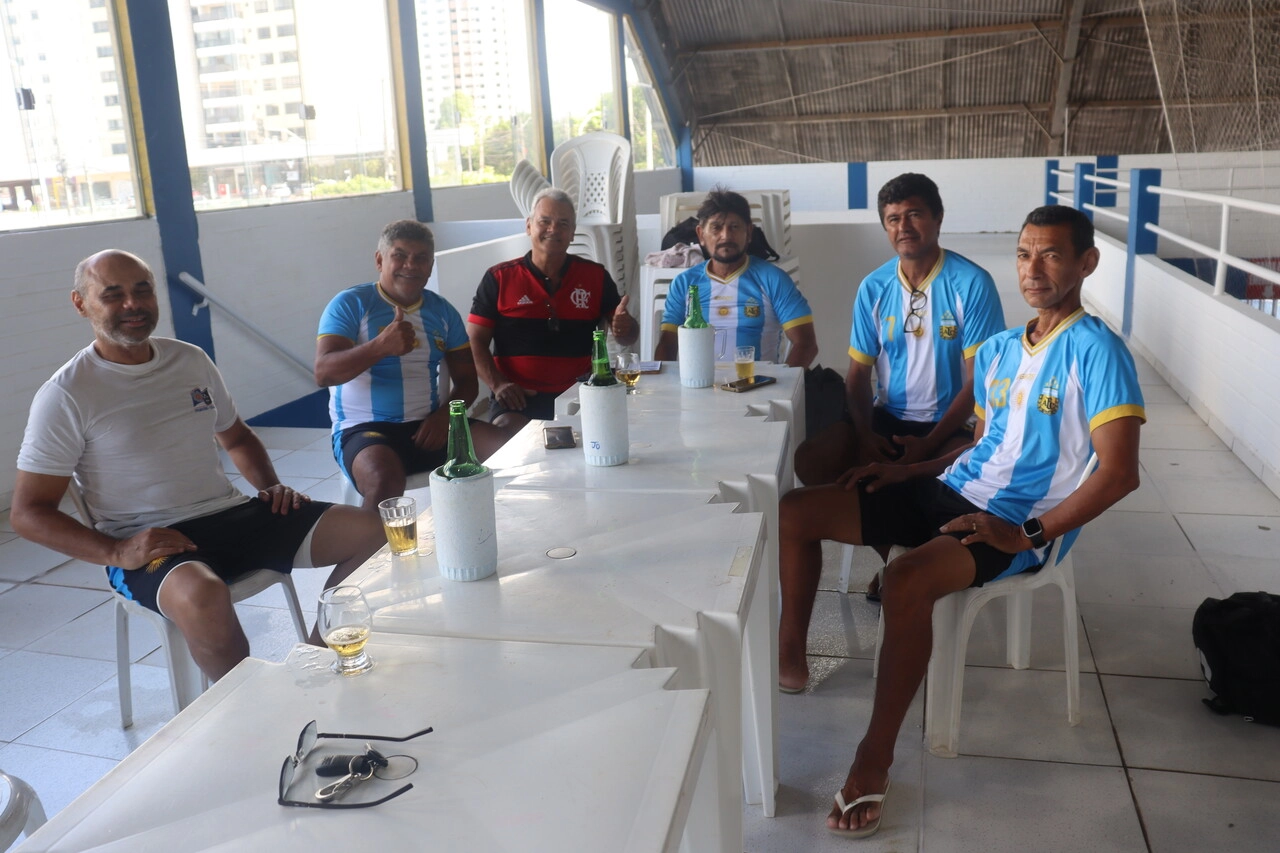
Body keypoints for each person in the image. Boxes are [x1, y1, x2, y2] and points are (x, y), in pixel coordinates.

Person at [777, 205, 1145, 837]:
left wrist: (1027, 533)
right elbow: (983, 443)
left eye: (1052, 254)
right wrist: (909, 471)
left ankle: (875, 757)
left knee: (903, 581)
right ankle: (789, 654)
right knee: (796, 510)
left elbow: (1119, 473)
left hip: (1012, 520)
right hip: (950, 486)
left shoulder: (1097, 350)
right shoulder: (1002, 348)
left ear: (1087, 263)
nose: (1034, 268)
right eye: (1026, 253)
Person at [12, 250, 385, 681]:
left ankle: (313, 670)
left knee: (374, 534)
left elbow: (238, 437)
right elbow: (28, 513)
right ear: (81, 303)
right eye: (112, 294)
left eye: (142, 290)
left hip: (231, 513)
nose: (133, 304)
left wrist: (271, 485)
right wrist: (116, 551)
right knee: (203, 596)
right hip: (151, 542)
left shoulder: (189, 360)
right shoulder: (67, 393)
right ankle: (248, 713)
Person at [793, 173, 1006, 487]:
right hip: (888, 420)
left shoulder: (972, 283)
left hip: (951, 425)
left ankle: (904, 527)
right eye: (893, 219)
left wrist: (929, 444)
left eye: (914, 215)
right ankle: (869, 526)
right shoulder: (874, 287)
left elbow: (979, 381)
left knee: (951, 481)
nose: (903, 227)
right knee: (814, 459)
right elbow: (857, 376)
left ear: (938, 218)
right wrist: (865, 435)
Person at [315, 219, 507, 510]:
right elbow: (324, 372)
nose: (410, 265)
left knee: (510, 450)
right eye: (399, 255)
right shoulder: (351, 303)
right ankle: (367, 554)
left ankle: (495, 534)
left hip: (430, 426)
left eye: (421, 259)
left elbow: (467, 381)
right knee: (385, 483)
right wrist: (379, 347)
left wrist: (446, 418)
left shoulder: (442, 312)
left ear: (430, 267)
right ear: (380, 260)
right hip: (363, 429)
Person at [467, 188, 638, 429]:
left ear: (572, 233)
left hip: (581, 393)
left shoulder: (595, 277)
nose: (553, 229)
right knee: (510, 447)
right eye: (544, 221)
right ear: (529, 226)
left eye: (563, 223)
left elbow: (627, 336)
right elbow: (475, 342)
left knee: (607, 437)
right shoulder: (499, 278)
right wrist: (498, 385)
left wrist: (625, 326)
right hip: (518, 398)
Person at [653, 188, 818, 367]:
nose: (726, 235)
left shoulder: (773, 279)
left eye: (734, 227)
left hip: (758, 389)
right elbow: (667, 346)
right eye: (716, 227)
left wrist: (783, 387)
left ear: (748, 232)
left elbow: (806, 345)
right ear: (701, 234)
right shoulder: (684, 283)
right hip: (699, 389)